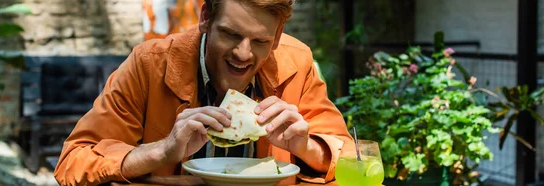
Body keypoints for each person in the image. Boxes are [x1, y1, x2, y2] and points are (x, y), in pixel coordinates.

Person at [54, 0, 354, 185]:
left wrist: (305, 147)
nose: (243, 54)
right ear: (206, 17)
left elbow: (353, 160)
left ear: (277, 35)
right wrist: (162, 150)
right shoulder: (150, 64)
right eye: (231, 34)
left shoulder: (296, 63)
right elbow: (73, 162)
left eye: (260, 41)